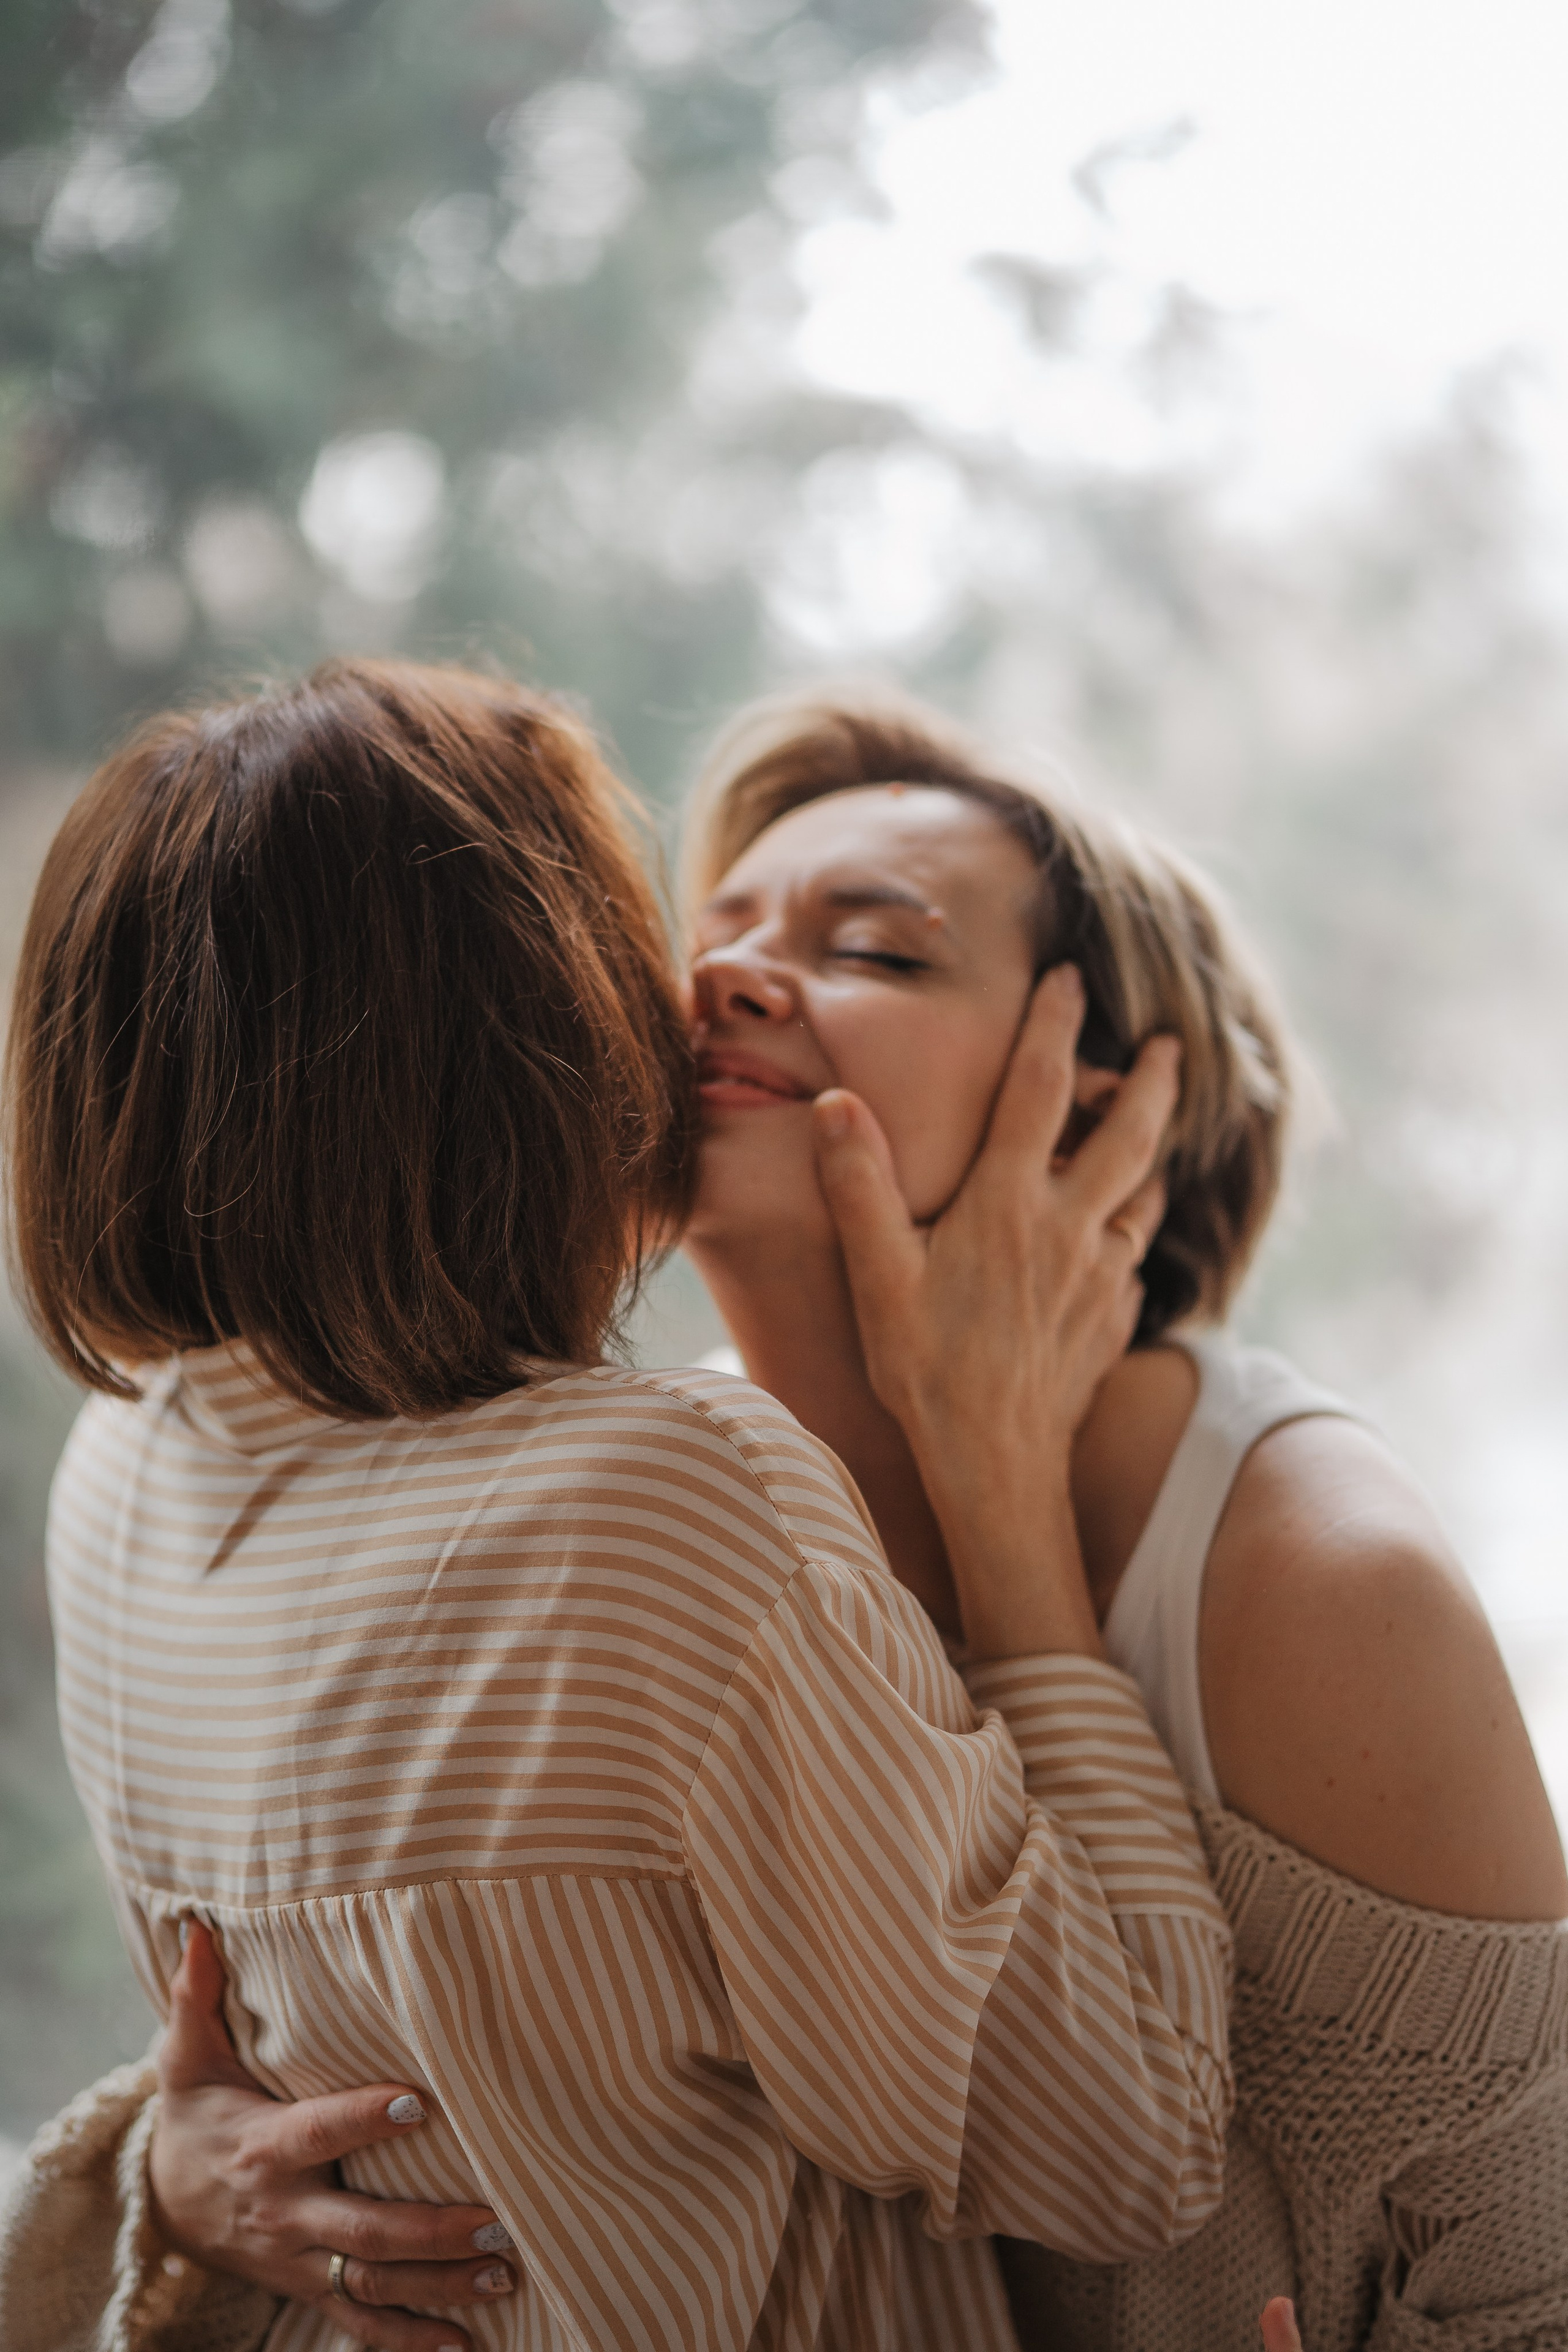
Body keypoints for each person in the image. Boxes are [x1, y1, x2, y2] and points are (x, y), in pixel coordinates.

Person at [117, 688, 1568, 2350]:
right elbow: (486, 1999)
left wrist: (1006, 1517)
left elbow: (1526, 2271)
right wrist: (183, 2164)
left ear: (1094, 1115)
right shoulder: (658, 1521)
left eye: (873, 951)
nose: (724, 976)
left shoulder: (1314, 1578)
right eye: (715, 927)